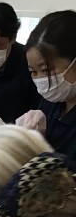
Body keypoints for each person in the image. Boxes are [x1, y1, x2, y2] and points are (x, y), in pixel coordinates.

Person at [16, 10, 76, 172]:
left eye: (46, 70)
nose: (41, 79)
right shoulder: (53, 102)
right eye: (33, 72)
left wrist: (41, 151)